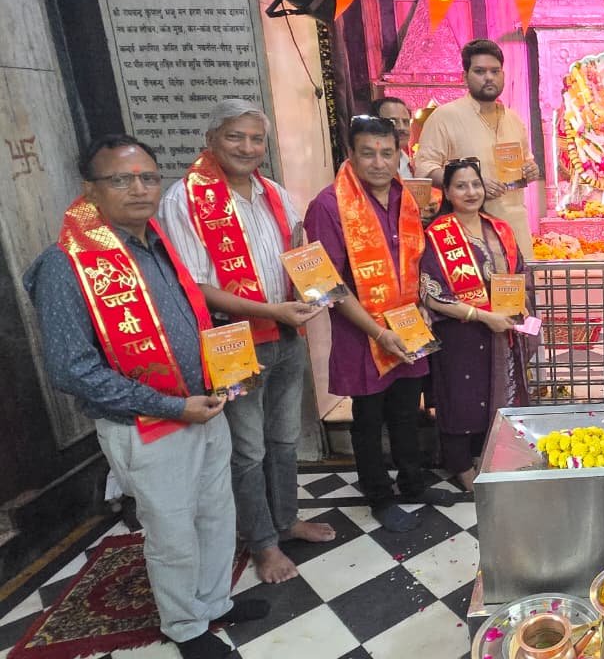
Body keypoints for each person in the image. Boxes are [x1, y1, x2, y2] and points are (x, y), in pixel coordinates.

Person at [24, 135, 268, 659]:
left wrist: (227, 372)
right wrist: (172, 406)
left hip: (206, 407)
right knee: (172, 531)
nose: (139, 189)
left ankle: (214, 601)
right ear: (90, 190)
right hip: (148, 423)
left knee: (215, 513)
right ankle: (185, 626)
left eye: (148, 177)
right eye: (121, 179)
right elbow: (72, 370)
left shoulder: (158, 244)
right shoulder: (67, 265)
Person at [158, 100, 334, 585]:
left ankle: (286, 520)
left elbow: (299, 255)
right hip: (230, 341)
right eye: (235, 136)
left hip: (286, 334)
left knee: (284, 438)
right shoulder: (185, 199)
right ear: (211, 140)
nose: (248, 147)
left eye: (257, 138)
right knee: (248, 449)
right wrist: (271, 311)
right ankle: (262, 543)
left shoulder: (273, 192)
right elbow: (194, 287)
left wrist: (313, 290)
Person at [305, 116, 459, 533]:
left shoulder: (404, 197)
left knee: (406, 412)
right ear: (351, 155)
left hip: (406, 326)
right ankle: (379, 495)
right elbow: (326, 284)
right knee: (369, 419)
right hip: (362, 333)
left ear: (399, 154)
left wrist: (421, 307)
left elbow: (413, 260)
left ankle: (413, 483)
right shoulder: (328, 205)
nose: (378, 162)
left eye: (387, 153)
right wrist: (377, 332)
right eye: (368, 153)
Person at [420, 158, 534, 491]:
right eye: (460, 186)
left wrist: (520, 305)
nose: (470, 192)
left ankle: (491, 455)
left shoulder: (498, 228)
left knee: (495, 391)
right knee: (461, 396)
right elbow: (431, 293)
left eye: (475, 184)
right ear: (446, 192)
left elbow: (520, 272)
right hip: (460, 332)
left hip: (501, 331)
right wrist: (482, 316)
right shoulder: (437, 235)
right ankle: (460, 464)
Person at [415, 39, 541, 259]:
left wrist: (530, 169)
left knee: (518, 281)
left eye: (495, 71)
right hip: (470, 235)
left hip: (515, 230)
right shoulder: (445, 116)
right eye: (480, 71)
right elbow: (423, 169)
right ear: (465, 77)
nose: (489, 77)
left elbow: (525, 160)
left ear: (503, 75)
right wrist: (471, 183)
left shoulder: (513, 119)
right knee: (477, 282)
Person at [371, 96, 416, 178]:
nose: (402, 128)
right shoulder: (366, 166)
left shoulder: (410, 166)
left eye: (406, 122)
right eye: (393, 122)